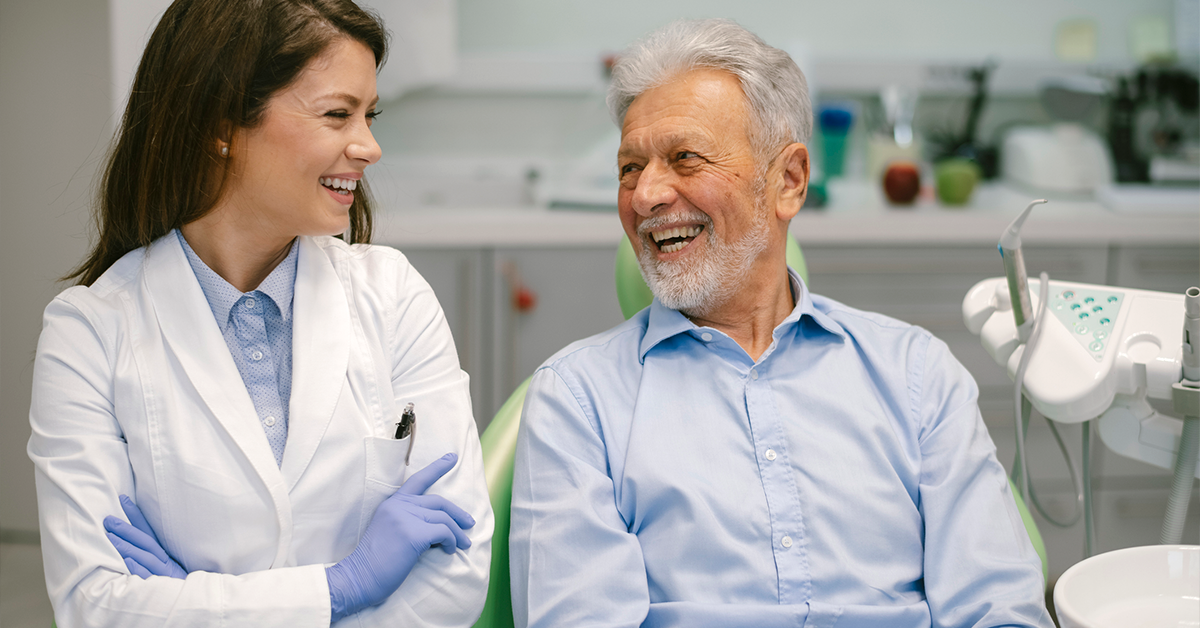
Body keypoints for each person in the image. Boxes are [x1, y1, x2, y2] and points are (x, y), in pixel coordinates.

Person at [509, 19, 1052, 628]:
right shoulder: (578, 402)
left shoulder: (915, 375)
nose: (644, 195)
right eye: (630, 169)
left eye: (684, 158)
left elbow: (999, 610)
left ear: (788, 181)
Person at [27, 1, 491, 626]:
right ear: (222, 122)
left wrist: (192, 600)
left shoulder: (394, 296)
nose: (370, 146)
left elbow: (456, 576)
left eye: (369, 115)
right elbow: (96, 604)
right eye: (337, 114)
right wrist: (344, 585)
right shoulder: (89, 332)